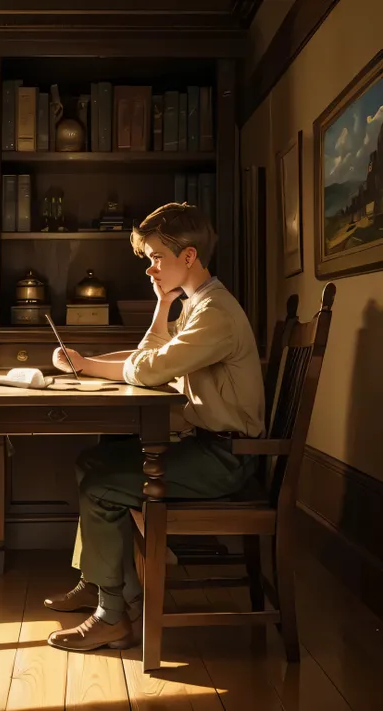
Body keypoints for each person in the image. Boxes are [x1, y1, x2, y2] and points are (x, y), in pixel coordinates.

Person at [44, 202, 265, 653]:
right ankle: (98, 580)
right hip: (210, 448)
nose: (149, 268)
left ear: (188, 257)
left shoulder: (215, 313)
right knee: (95, 460)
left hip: (226, 459)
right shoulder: (196, 303)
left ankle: (111, 617)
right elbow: (152, 355)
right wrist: (161, 307)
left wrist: (88, 366)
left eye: (156, 258)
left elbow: (149, 371)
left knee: (103, 483)